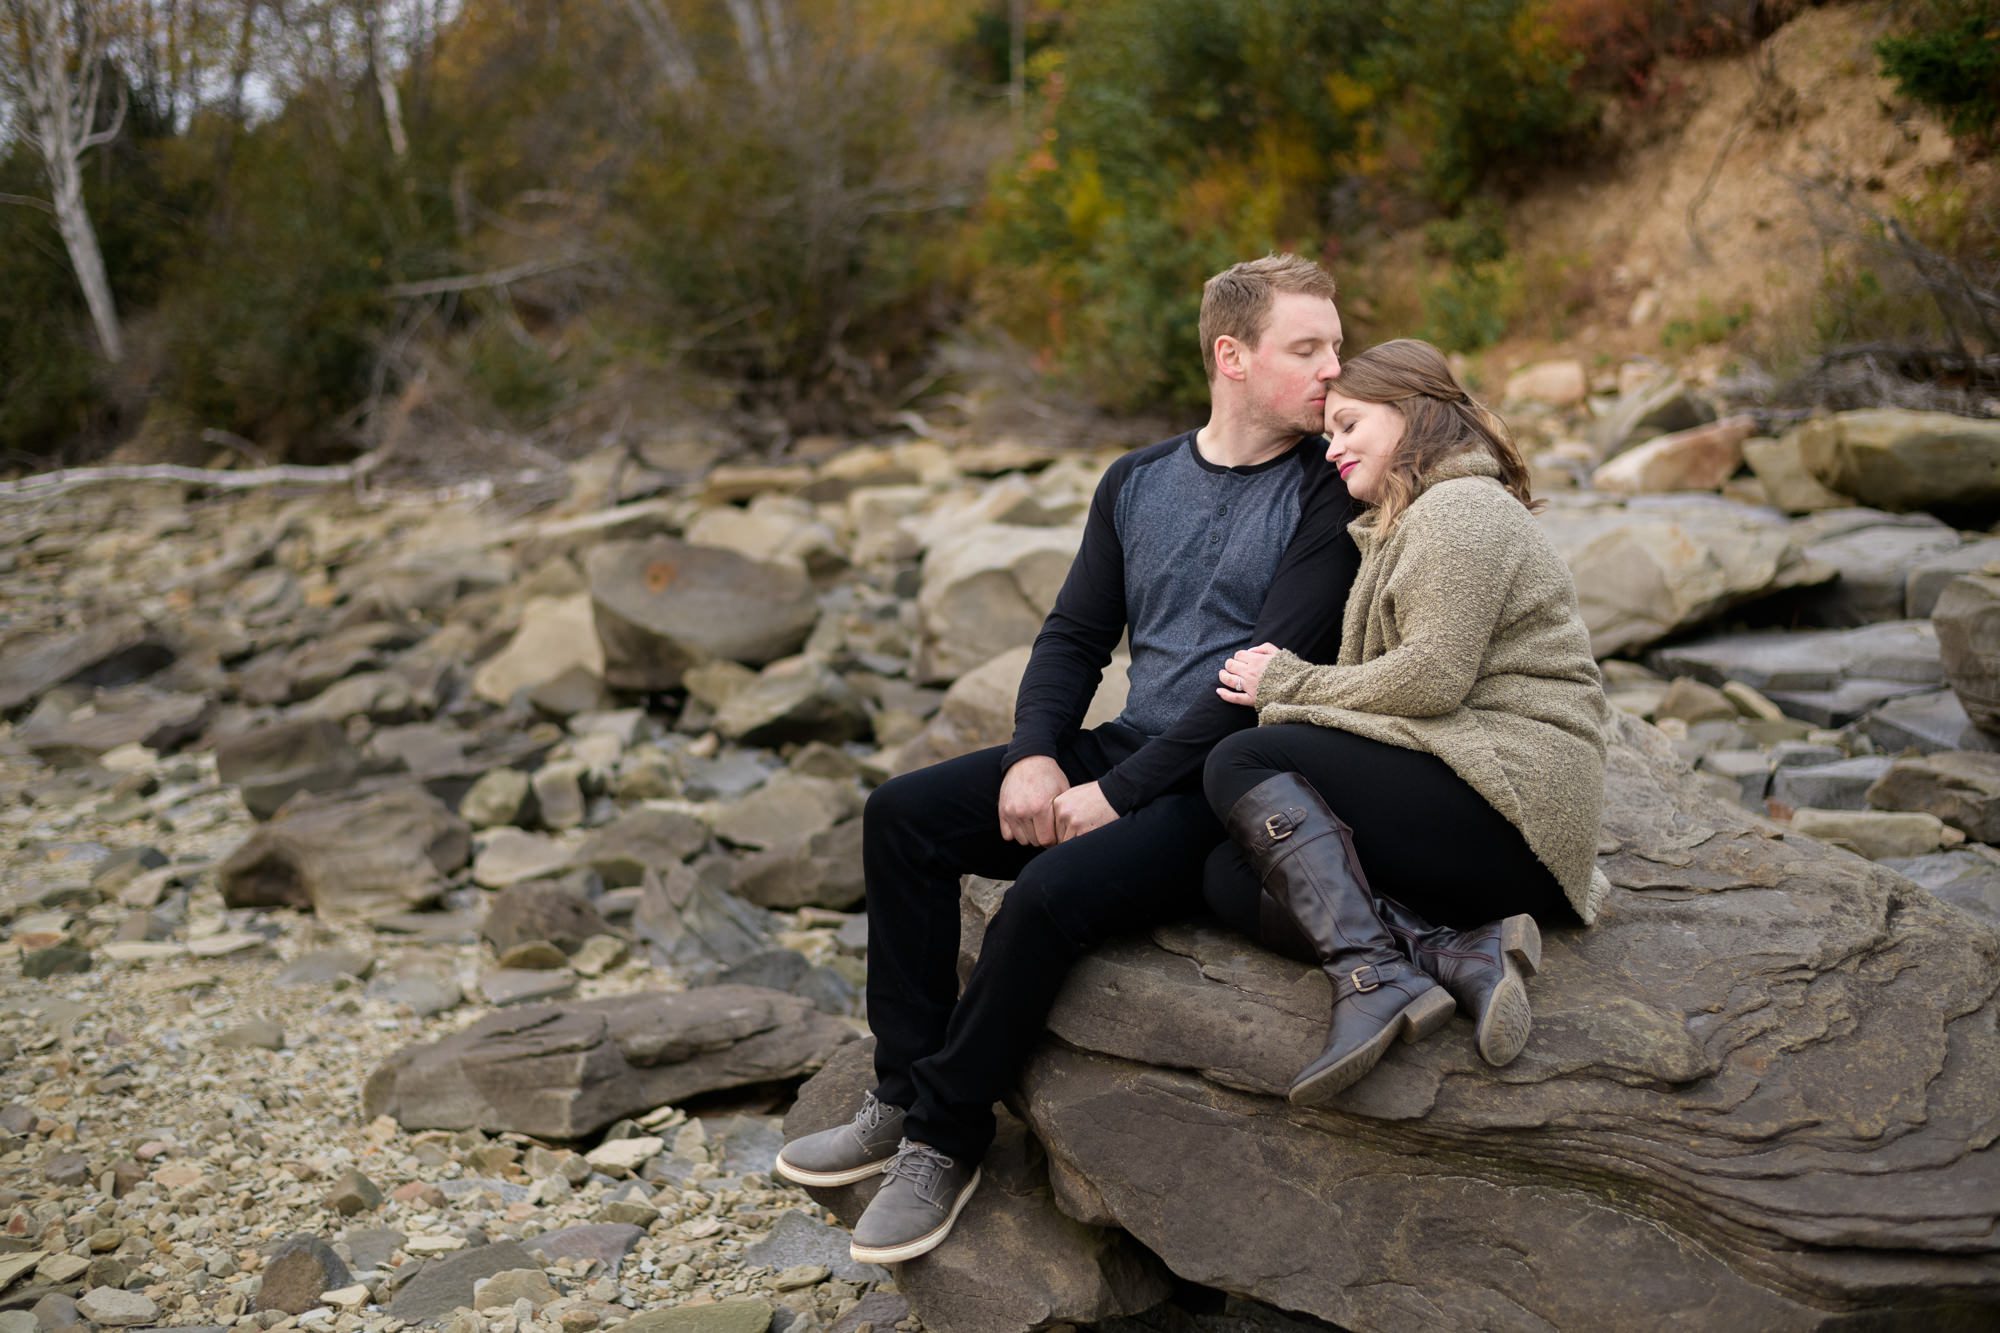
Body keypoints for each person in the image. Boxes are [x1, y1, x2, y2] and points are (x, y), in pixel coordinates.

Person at [774, 254, 1361, 1264]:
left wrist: (1109, 799)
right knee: (900, 817)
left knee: (1045, 892)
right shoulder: (1136, 480)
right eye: (1306, 348)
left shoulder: (1328, 496)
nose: (1332, 372)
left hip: (1233, 786)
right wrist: (1036, 758)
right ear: (1231, 355)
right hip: (1131, 745)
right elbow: (1071, 637)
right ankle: (898, 1089)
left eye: (1336, 348)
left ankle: (942, 1138)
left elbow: (1253, 685)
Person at [1201, 338, 1608, 1105]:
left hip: (1514, 810)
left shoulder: (1459, 510)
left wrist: (1285, 683)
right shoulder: (1413, 520)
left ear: (1412, 412)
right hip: (1476, 811)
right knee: (1229, 876)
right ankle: (1460, 955)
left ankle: (1373, 978)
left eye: (1350, 425)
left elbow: (1431, 676)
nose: (1333, 450)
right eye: (1329, 434)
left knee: (1240, 763)